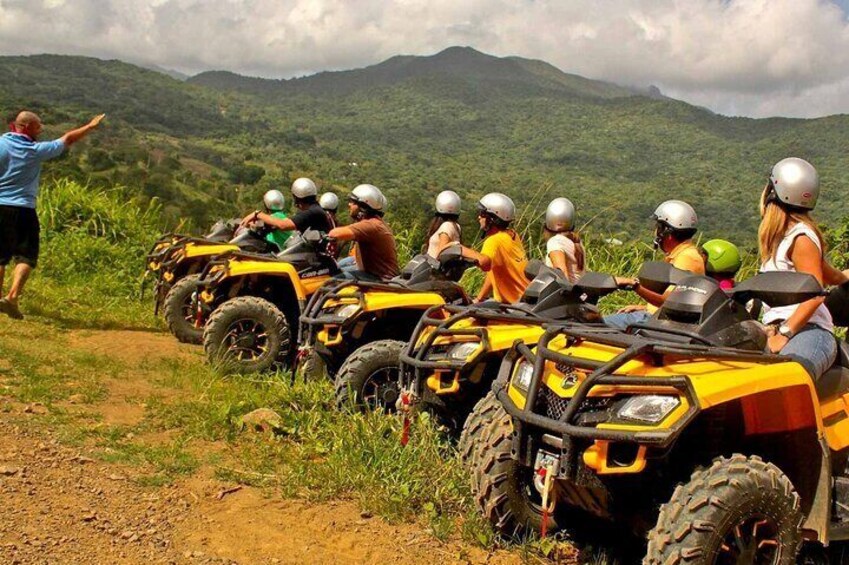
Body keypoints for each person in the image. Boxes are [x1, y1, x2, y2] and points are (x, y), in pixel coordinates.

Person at [0, 111, 106, 320]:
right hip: (23, 208)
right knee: (27, 255)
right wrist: (90, 126)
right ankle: (12, 297)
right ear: (28, 127)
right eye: (38, 127)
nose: (41, 130)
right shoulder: (35, 151)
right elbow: (67, 139)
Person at [758, 157, 848, 380]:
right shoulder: (782, 238)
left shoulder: (801, 237)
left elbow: (815, 293)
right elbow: (827, 274)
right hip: (780, 329)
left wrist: (785, 333)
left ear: (772, 192)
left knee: (786, 380)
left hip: (808, 330)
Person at [605, 200, 705, 329]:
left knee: (596, 324)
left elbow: (668, 301)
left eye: (658, 227)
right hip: (656, 315)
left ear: (666, 232)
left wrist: (634, 286)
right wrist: (643, 307)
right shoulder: (682, 254)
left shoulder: (687, 258)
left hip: (656, 321)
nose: (655, 232)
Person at [441, 192, 529, 304]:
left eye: (482, 214)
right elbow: (493, 272)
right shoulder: (512, 235)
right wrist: (479, 299)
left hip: (514, 305)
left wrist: (458, 248)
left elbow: (485, 263)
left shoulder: (494, 241)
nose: (479, 217)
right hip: (524, 300)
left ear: (492, 218)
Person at [328, 184, 399, 280]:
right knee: (336, 269)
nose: (349, 204)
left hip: (381, 278)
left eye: (353, 202)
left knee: (330, 282)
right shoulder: (373, 222)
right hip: (371, 272)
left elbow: (335, 233)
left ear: (362, 206)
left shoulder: (371, 225)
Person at [245, 177, 333, 245]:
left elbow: (283, 225)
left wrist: (257, 214)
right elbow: (282, 222)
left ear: (297, 198)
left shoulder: (313, 212)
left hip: (317, 260)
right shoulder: (313, 210)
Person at [543, 197, 585, 283]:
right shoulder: (576, 241)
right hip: (578, 292)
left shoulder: (555, 242)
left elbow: (562, 275)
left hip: (566, 294)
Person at [424, 190, 462, 259]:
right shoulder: (456, 226)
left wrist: (454, 244)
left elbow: (441, 251)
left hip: (434, 267)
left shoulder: (446, 226)